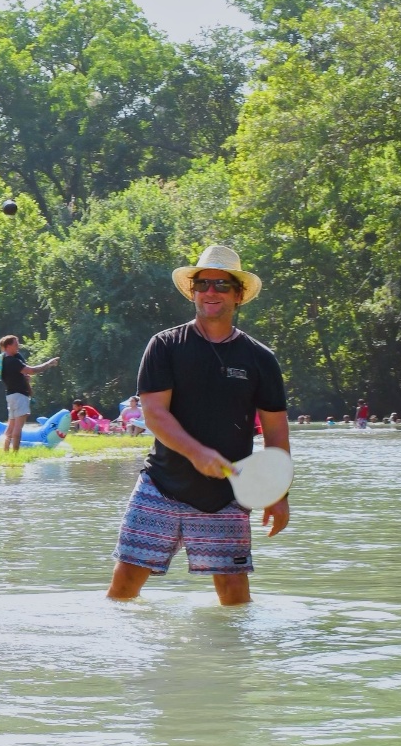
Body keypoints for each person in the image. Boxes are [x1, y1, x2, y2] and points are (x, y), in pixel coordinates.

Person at [108, 244, 288, 607]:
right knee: (124, 586)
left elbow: (276, 432)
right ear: (193, 290)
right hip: (160, 484)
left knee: (235, 597)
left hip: (226, 496)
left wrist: (279, 493)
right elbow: (155, 414)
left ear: (238, 295)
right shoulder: (164, 346)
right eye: (204, 283)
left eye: (222, 286)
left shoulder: (260, 358)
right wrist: (196, 452)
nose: (211, 292)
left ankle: (233, 665)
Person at [0, 335, 59, 453]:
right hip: (19, 396)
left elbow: (17, 376)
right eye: (15, 344)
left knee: (10, 427)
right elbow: (32, 370)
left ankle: (5, 452)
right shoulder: (13, 361)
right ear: (8, 346)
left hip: (11, 396)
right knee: (18, 428)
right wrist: (48, 364)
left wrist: (24, 378)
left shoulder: (4, 361)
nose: (18, 346)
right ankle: (15, 454)